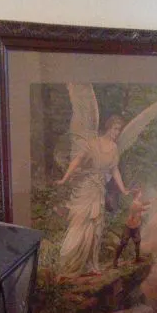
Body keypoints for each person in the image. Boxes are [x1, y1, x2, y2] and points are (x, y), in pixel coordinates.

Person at [55, 115, 130, 277]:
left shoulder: (114, 148)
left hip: (99, 189)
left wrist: (123, 189)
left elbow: (114, 170)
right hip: (86, 186)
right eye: (115, 129)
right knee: (80, 220)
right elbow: (77, 161)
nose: (117, 133)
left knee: (96, 226)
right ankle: (69, 261)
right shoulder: (93, 143)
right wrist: (64, 179)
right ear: (108, 127)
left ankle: (91, 264)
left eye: (119, 130)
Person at [113, 187, 151, 268]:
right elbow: (141, 208)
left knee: (137, 241)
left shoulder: (137, 202)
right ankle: (115, 261)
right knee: (123, 242)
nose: (141, 194)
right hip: (130, 226)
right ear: (137, 194)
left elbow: (141, 204)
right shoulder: (135, 204)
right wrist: (149, 205)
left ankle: (137, 258)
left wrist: (148, 202)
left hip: (135, 225)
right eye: (140, 193)